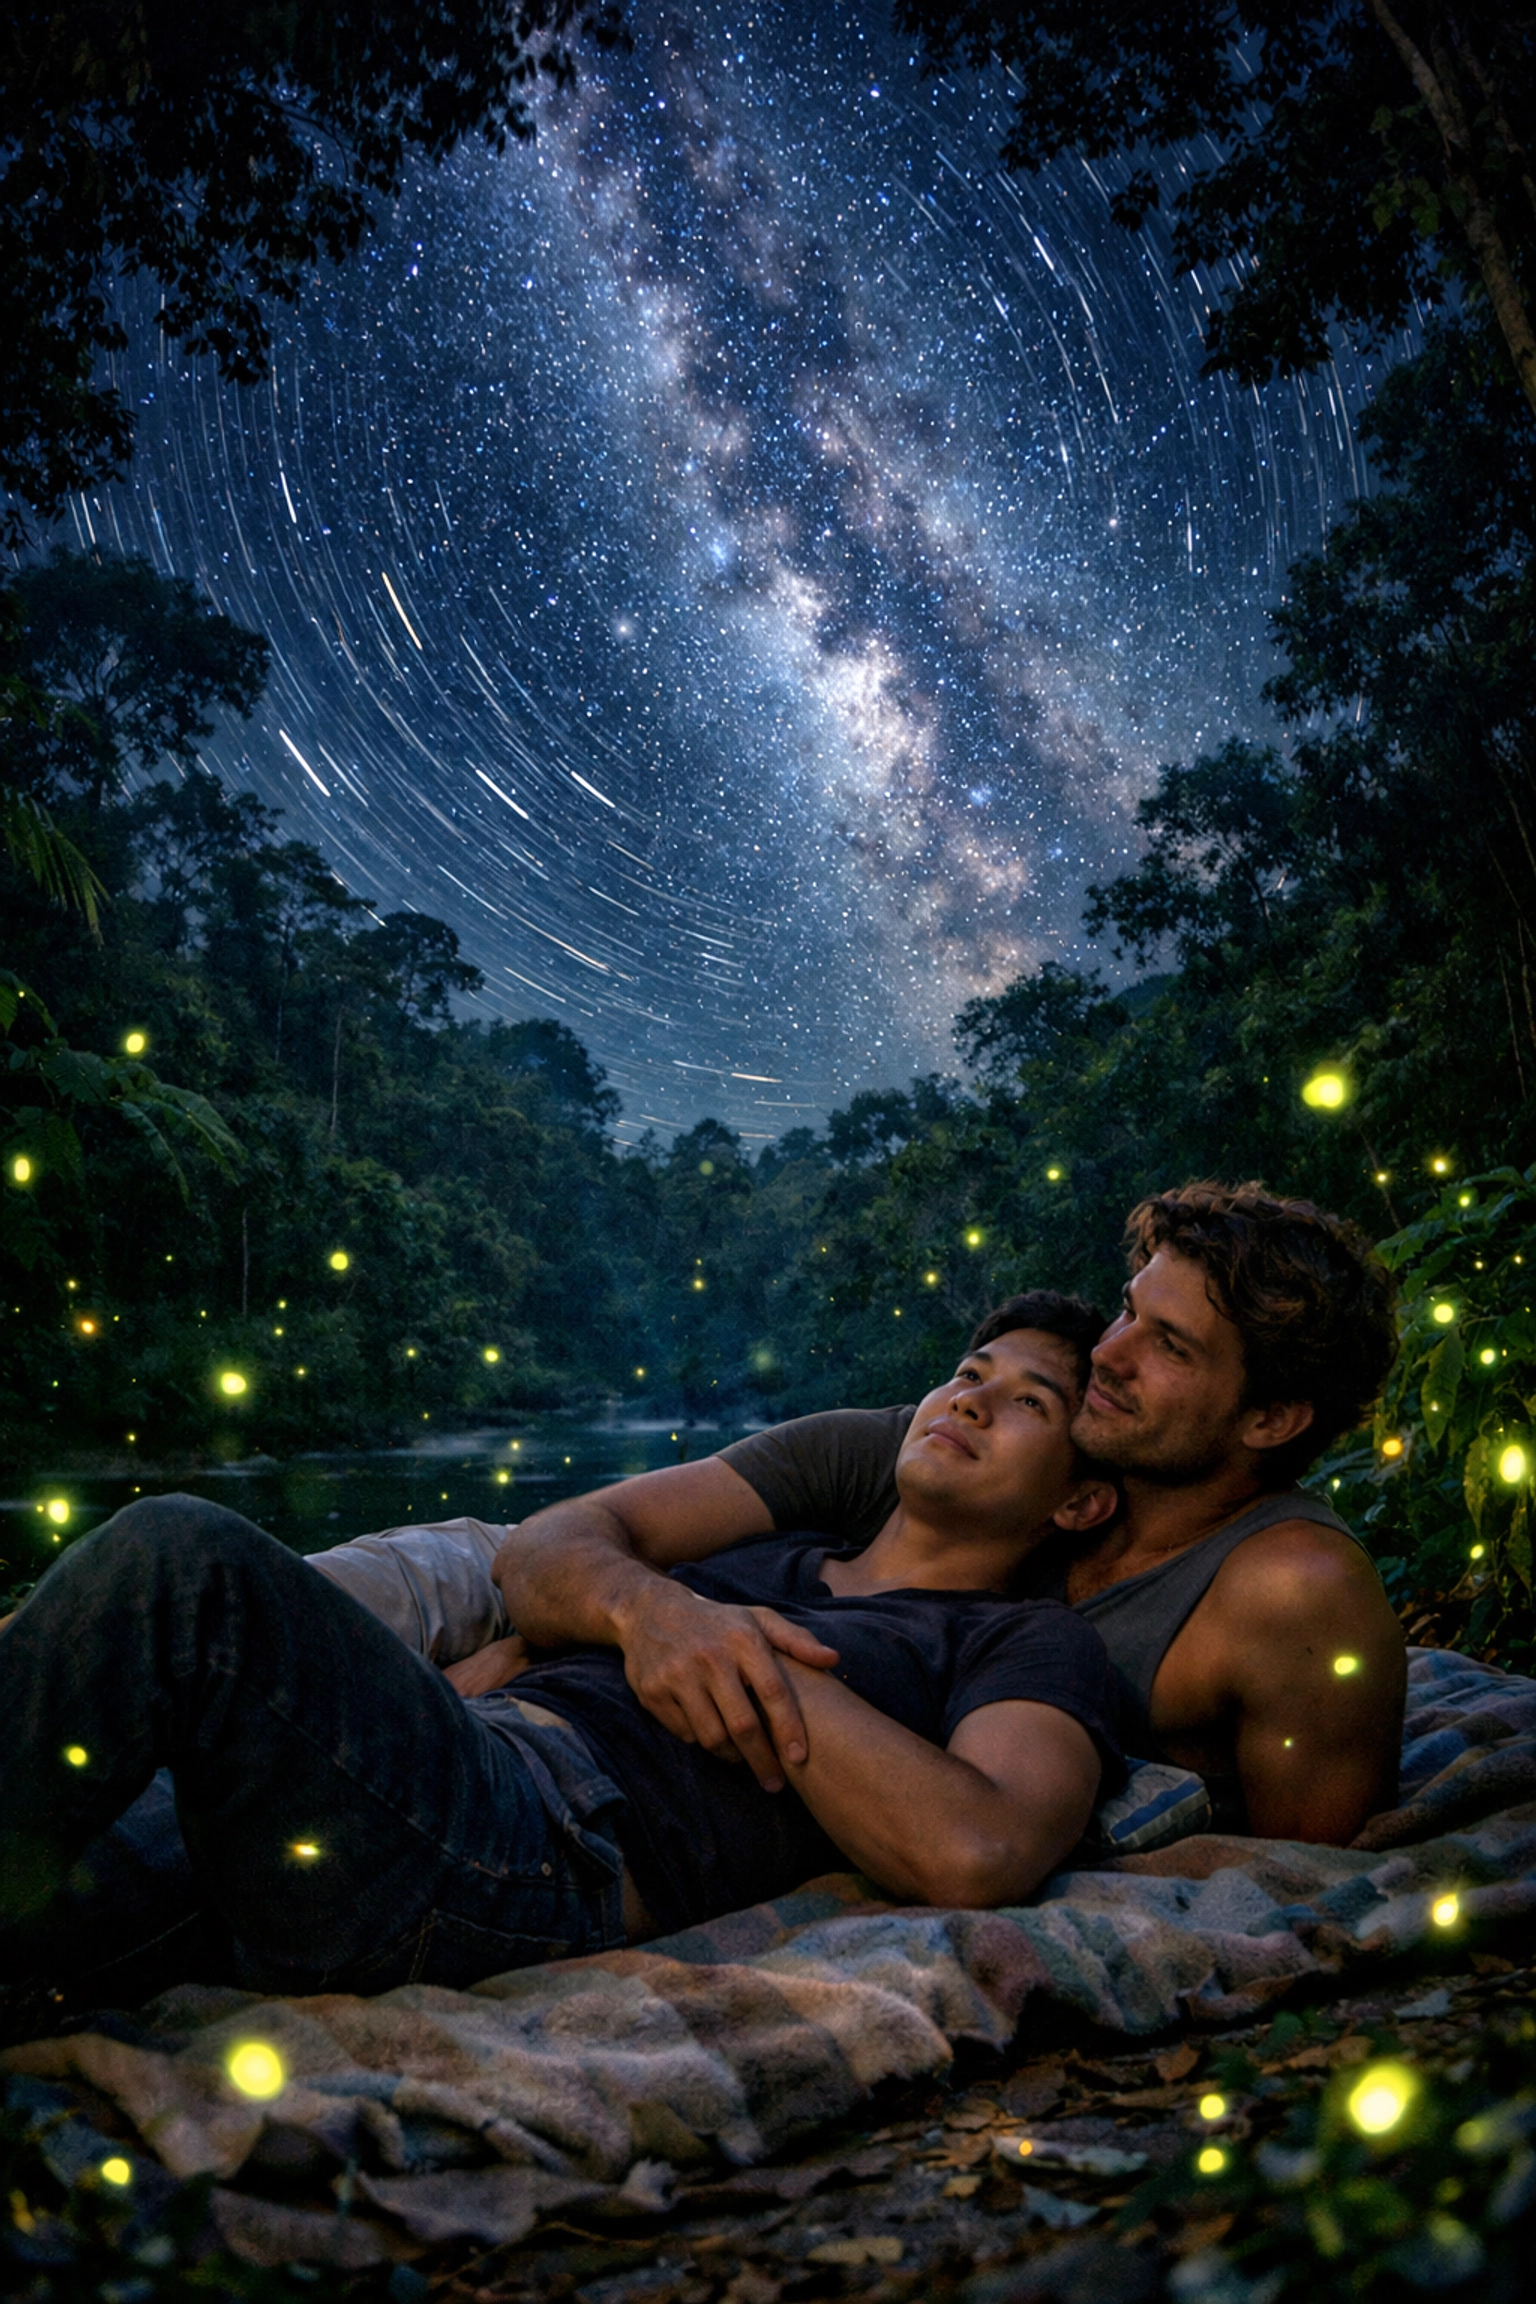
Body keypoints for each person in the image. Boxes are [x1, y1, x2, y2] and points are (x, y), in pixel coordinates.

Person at [0, 1294, 1125, 2039]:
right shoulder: (777, 1546)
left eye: (1028, 1402)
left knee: (181, 1563)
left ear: (1077, 1498)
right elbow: (549, 1549)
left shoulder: (1019, 1638)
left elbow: (979, 1849)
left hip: (537, 1847)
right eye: (969, 1373)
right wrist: (636, 1616)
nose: (971, 1397)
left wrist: (724, 1652)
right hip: (430, 1767)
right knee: (57, 1907)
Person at [484, 1182, 1404, 1846]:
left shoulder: (1292, 1590)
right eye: (1128, 1312)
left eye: (1168, 1346)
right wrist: (640, 1618)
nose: (1110, 1356)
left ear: (1271, 1419)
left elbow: (1306, 1878)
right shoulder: (949, 1445)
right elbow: (558, 1541)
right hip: (580, 1637)